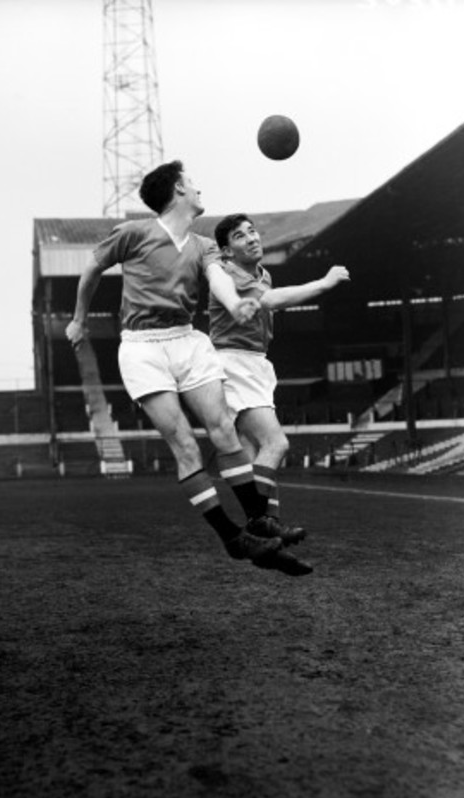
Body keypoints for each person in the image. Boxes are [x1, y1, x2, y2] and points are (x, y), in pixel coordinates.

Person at [65, 161, 311, 576]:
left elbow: (217, 278)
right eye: (193, 183)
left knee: (224, 429)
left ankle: (259, 521)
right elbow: (91, 269)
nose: (199, 189)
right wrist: (77, 318)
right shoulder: (133, 233)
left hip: (187, 339)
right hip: (142, 349)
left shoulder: (203, 246)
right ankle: (233, 538)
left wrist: (236, 304)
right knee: (184, 443)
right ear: (179, 190)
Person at [209, 213, 350, 540]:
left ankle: (269, 526)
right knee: (275, 442)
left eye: (253, 231)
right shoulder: (229, 273)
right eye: (241, 236)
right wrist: (323, 283)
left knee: (252, 450)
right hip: (234, 362)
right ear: (227, 252)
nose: (252, 238)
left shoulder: (262, 273)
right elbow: (269, 301)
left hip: (253, 363)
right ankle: (260, 522)